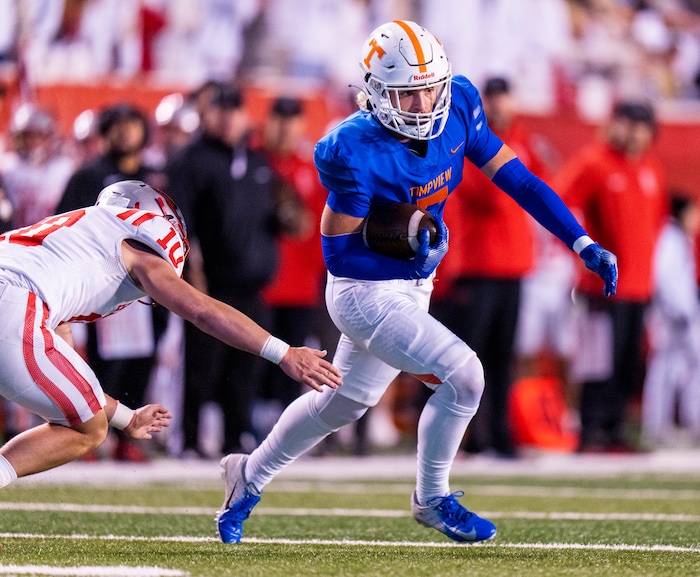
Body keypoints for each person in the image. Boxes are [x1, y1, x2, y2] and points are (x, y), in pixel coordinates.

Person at [214, 20, 617, 545]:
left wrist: (580, 242)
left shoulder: (462, 106)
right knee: (466, 376)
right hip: (363, 292)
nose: (425, 103)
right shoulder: (350, 149)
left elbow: (517, 179)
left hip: (412, 288)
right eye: (409, 93)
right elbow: (338, 254)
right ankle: (432, 498)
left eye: (431, 88)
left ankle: (247, 475)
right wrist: (405, 237)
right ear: (377, 94)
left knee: (341, 404)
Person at [0, 180, 341, 489]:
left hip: (16, 298)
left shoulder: (72, 239)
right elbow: (201, 310)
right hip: (14, 301)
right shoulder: (139, 244)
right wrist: (283, 352)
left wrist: (128, 418)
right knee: (86, 430)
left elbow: (75, 382)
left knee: (80, 416)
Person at [165, 82, 296, 457]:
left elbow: (279, 217)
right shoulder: (190, 160)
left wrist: (286, 213)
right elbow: (179, 221)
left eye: (234, 110)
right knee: (203, 366)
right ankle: (188, 438)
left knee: (246, 365)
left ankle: (236, 435)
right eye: (220, 110)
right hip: (211, 284)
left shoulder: (256, 160)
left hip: (252, 284)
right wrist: (191, 274)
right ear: (206, 114)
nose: (227, 118)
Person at [431, 76, 539, 458]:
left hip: (513, 267)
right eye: (493, 98)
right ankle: (468, 437)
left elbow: (546, 184)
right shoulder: (474, 144)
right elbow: (495, 195)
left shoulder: (522, 140)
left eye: (503, 97)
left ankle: (499, 435)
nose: (499, 105)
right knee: (469, 359)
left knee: (501, 359)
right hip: (478, 267)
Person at [56, 102, 168, 462]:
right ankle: (89, 435)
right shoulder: (87, 176)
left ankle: (128, 439)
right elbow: (65, 224)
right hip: (102, 281)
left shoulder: (156, 176)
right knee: (97, 366)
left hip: (147, 283)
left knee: (141, 361)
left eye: (131, 124)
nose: (124, 132)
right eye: (116, 125)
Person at [556, 100, 666, 453]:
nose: (634, 131)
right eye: (628, 123)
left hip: (640, 285)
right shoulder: (595, 162)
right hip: (600, 285)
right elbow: (559, 202)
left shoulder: (650, 169)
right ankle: (590, 431)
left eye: (641, 124)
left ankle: (615, 430)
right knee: (597, 362)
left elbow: (655, 225)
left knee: (628, 361)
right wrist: (580, 254)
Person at [641, 192, 700, 448]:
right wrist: (678, 310)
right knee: (664, 369)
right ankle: (656, 426)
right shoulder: (669, 238)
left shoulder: (680, 238)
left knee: (682, 368)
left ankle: (686, 422)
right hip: (671, 315)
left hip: (682, 313)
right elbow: (664, 277)